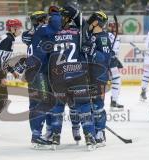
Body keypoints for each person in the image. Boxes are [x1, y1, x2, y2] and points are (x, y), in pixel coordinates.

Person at [48, 5, 96, 149]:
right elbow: (88, 50)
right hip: (77, 75)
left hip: (58, 78)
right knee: (84, 106)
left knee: (58, 107)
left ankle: (55, 137)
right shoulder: (78, 32)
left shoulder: (53, 33)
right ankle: (89, 137)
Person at [23, 7, 62, 147]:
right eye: (46, 18)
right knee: (44, 103)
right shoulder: (42, 29)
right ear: (41, 20)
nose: (48, 20)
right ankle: (38, 136)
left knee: (35, 105)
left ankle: (37, 134)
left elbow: (26, 36)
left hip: (32, 72)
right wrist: (55, 13)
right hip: (39, 72)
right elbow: (56, 25)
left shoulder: (32, 33)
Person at [85, 10, 113, 146]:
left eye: (92, 19)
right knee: (89, 105)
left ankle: (100, 131)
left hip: (98, 76)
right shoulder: (90, 36)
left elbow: (105, 58)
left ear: (97, 22)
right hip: (87, 75)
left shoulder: (103, 37)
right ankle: (93, 130)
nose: (89, 22)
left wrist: (91, 51)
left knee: (97, 105)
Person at [107, 21, 124, 110]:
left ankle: (114, 101)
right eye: (118, 27)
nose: (120, 28)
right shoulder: (110, 36)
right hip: (109, 61)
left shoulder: (115, 36)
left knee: (116, 80)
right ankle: (113, 101)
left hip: (112, 60)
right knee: (116, 80)